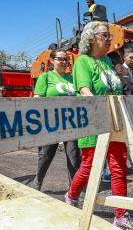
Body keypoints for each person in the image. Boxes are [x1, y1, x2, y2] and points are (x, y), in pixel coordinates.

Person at [65, 21, 133, 230]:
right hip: (94, 123)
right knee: (90, 167)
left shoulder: (109, 63)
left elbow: (118, 91)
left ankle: (120, 215)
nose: (110, 39)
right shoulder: (83, 61)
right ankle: (71, 196)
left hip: (115, 123)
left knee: (118, 167)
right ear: (91, 39)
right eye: (105, 35)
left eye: (110, 35)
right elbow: (85, 91)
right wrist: (101, 115)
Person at [32, 49, 81, 191]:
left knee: (74, 158)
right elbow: (37, 100)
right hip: (51, 125)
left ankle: (73, 191)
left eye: (66, 59)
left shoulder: (72, 79)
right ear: (52, 61)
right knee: (46, 155)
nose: (64, 62)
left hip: (71, 124)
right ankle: (37, 182)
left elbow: (79, 99)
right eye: (60, 59)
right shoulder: (45, 77)